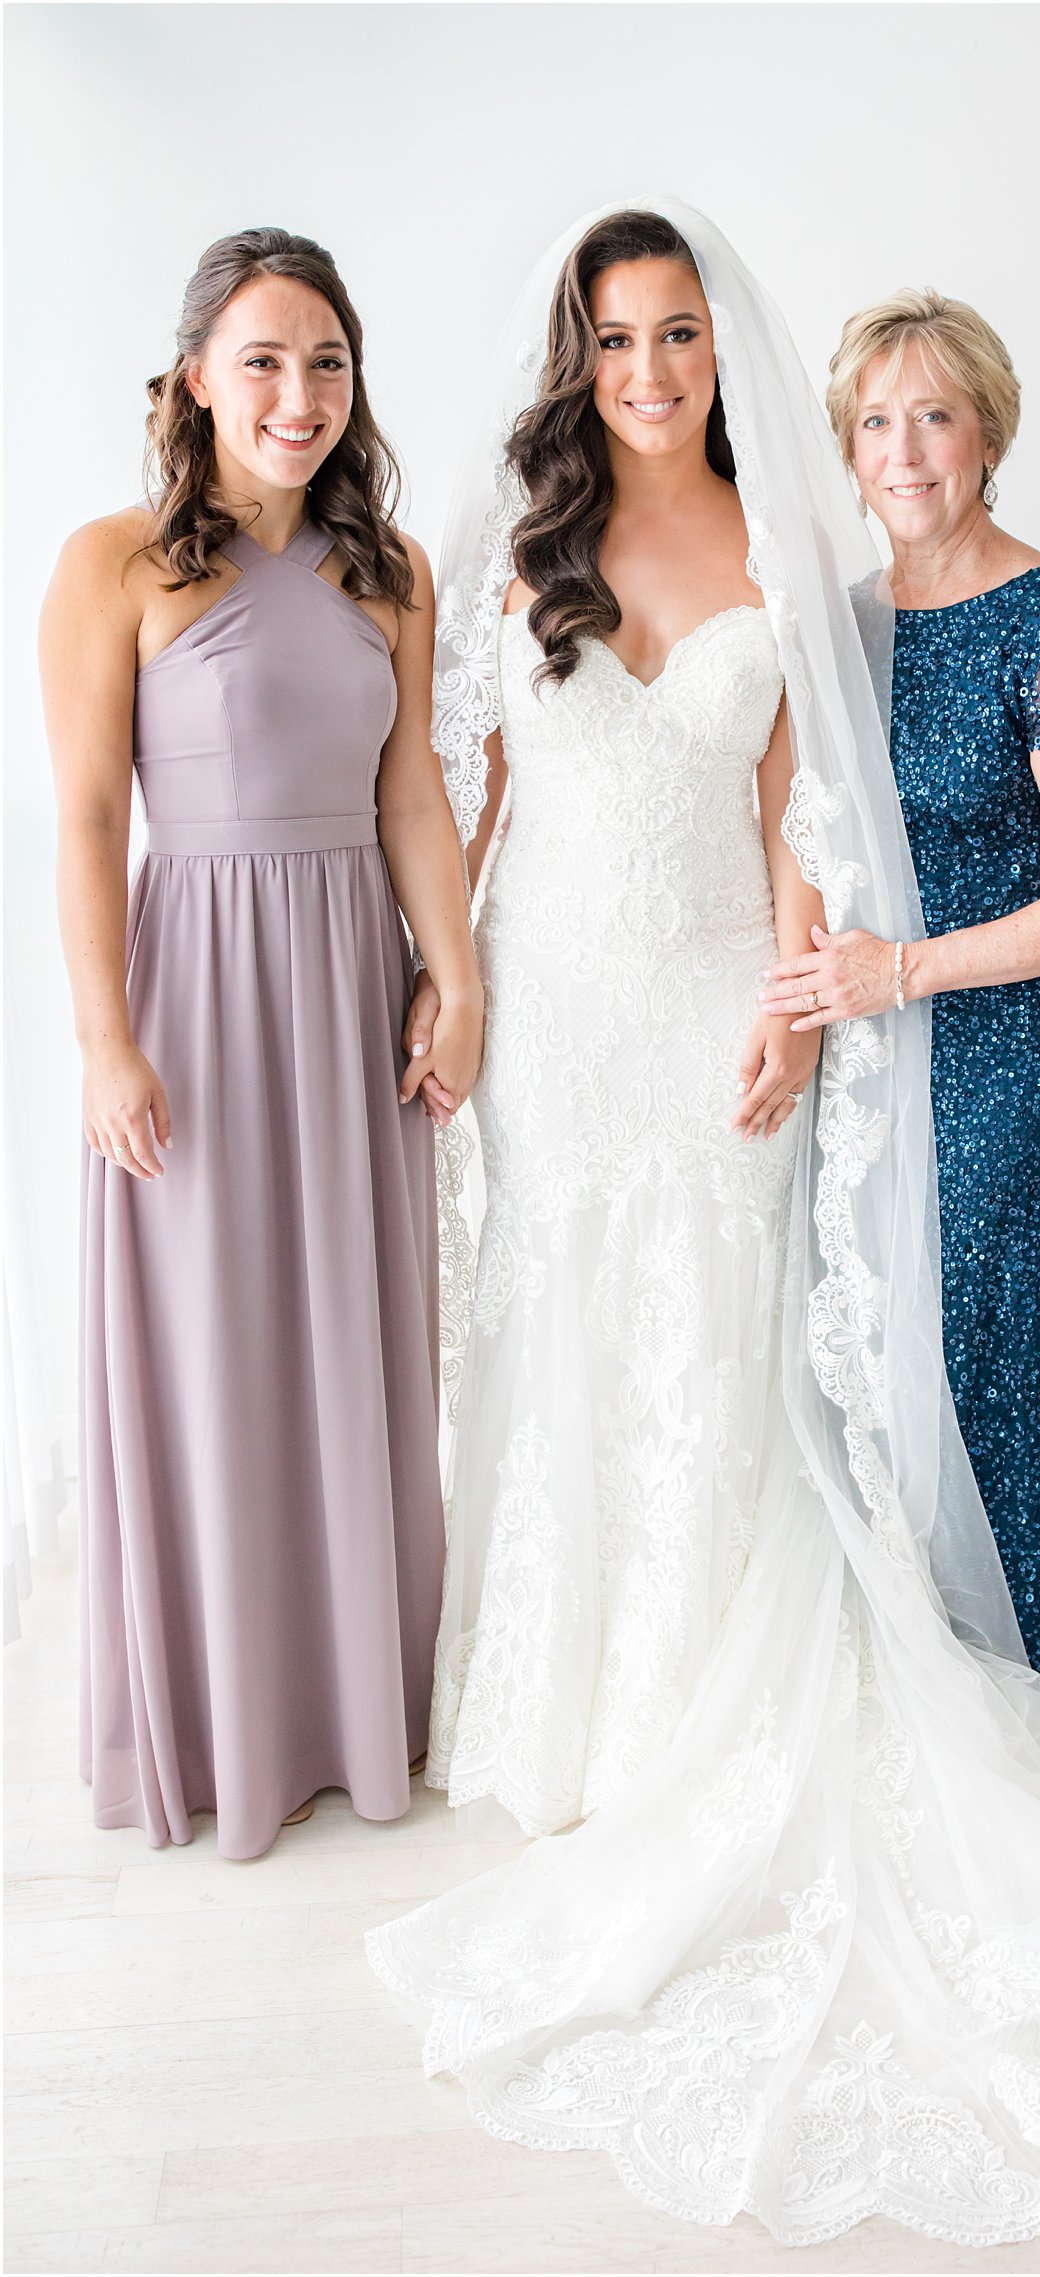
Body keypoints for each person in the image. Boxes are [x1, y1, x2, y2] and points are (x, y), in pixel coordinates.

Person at [369, 203, 1040, 2252]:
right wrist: (454, 977)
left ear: (973, 426)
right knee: (578, 1345)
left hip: (802, 1014)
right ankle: (569, 1704)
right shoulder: (623, 563)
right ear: (584, 355)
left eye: (680, 337)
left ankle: (972, 1681)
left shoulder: (867, 582)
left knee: (752, 1363)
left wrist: (807, 1001)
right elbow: (468, 791)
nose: (652, 369)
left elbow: (794, 834)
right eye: (618, 339)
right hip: (573, 1013)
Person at [42, 227, 481, 1859]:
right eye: (264, 362)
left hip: (350, 990)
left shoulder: (395, 570)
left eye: (326, 363)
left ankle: (356, 1706)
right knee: (213, 1350)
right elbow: (88, 813)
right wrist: (104, 1039)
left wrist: (459, 977)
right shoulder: (111, 566)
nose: (298, 397)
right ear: (195, 382)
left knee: (352, 1347)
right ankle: (221, 1719)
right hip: (196, 999)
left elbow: (414, 791)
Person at [759, 290, 1040, 1699]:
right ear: (846, 450)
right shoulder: (838, 629)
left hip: (1010, 1053)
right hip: (864, 1062)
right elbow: (799, 828)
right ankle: (908, 1690)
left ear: (987, 432)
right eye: (876, 422)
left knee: (996, 1369)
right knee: (869, 1366)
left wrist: (903, 972)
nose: (905, 451)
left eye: (933, 416)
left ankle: (1033, 1692)